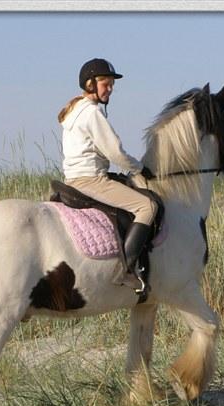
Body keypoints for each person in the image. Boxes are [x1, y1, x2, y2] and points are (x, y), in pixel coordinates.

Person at [58, 58, 157, 293]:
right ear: (91, 83)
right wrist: (139, 168)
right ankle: (126, 270)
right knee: (148, 206)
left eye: (112, 84)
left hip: (72, 178)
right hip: (91, 180)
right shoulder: (92, 113)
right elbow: (115, 152)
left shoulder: (74, 110)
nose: (110, 88)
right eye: (105, 83)